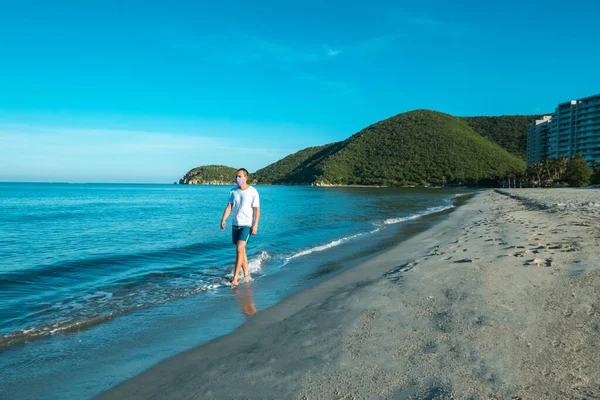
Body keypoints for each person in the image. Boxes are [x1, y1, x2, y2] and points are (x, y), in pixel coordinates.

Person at [220, 168, 260, 286]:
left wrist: (255, 224)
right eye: (236, 176)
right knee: (241, 250)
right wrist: (223, 219)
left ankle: (236, 277)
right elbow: (229, 207)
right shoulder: (233, 191)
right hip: (235, 224)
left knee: (239, 249)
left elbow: (257, 210)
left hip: (247, 224)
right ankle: (247, 274)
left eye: (240, 176)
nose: (237, 178)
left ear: (246, 177)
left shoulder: (253, 192)